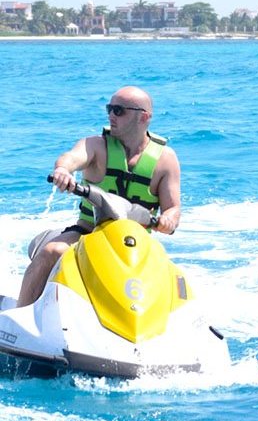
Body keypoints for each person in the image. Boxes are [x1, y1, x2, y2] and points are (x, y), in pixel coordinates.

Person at [18, 86, 181, 307]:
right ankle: (20, 318)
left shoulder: (166, 160)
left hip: (136, 244)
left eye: (119, 110)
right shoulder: (95, 145)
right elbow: (71, 158)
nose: (111, 115)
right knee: (52, 251)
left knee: (173, 279)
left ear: (143, 117)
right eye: (109, 109)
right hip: (87, 234)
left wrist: (168, 219)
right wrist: (63, 171)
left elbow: (173, 209)